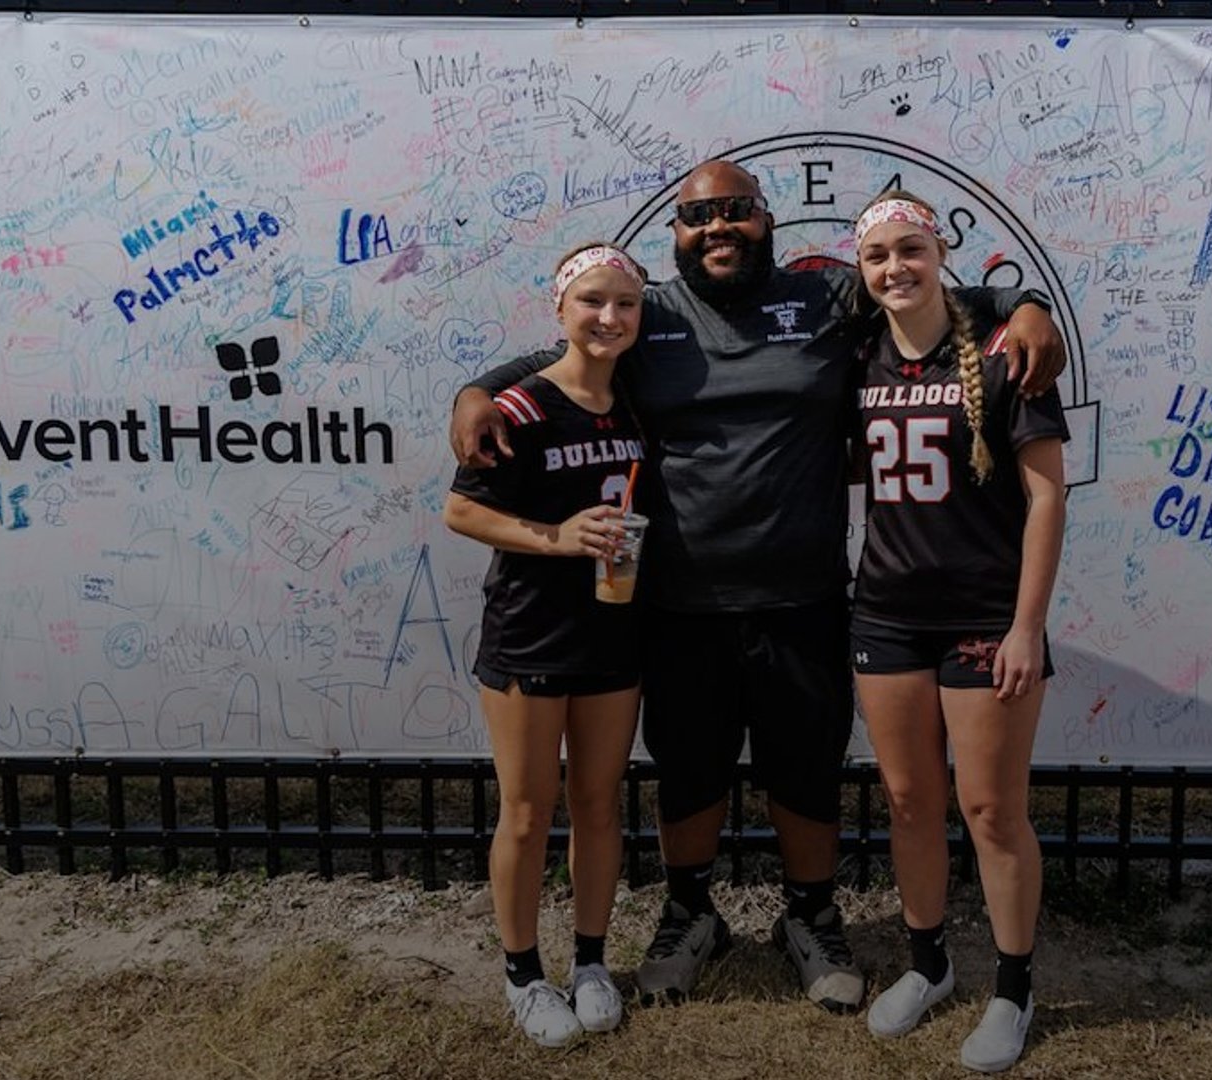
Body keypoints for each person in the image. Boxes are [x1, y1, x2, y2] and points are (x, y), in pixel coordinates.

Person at [450, 159, 1065, 1014]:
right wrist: (476, 390)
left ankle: (810, 916)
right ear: (675, 232)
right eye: (698, 215)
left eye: (736, 210)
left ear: (766, 221)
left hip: (803, 593)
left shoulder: (826, 295)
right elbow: (567, 351)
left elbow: (926, 291)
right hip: (679, 600)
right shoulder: (651, 311)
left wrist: (1025, 303)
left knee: (804, 770)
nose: (718, 227)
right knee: (689, 770)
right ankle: (689, 914)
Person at [847, 191, 1066, 1073]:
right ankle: (928, 963)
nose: (895, 267)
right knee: (909, 801)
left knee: (991, 810)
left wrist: (1026, 627)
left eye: (911, 248)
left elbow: (1046, 498)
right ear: (861, 273)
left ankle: (1013, 987)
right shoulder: (857, 355)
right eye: (877, 256)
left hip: (985, 617)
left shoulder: (1005, 351)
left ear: (940, 254)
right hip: (886, 615)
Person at [441, 242, 649, 1048]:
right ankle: (523, 973)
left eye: (625, 303)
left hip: (614, 629)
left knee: (598, 804)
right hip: (531, 631)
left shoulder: (637, 402)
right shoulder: (521, 406)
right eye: (591, 300)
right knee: (528, 813)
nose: (609, 317)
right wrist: (556, 537)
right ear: (560, 309)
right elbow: (462, 511)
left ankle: (591, 961)